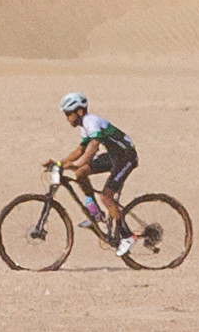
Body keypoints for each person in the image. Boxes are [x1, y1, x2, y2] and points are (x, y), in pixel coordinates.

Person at [54, 92, 141, 255]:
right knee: (81, 173)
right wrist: (59, 164)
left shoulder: (91, 121)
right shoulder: (85, 127)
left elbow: (93, 147)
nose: (67, 118)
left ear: (79, 111)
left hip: (126, 157)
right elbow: (80, 150)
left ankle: (128, 236)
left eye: (68, 114)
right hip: (114, 156)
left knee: (106, 197)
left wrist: (76, 164)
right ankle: (95, 212)